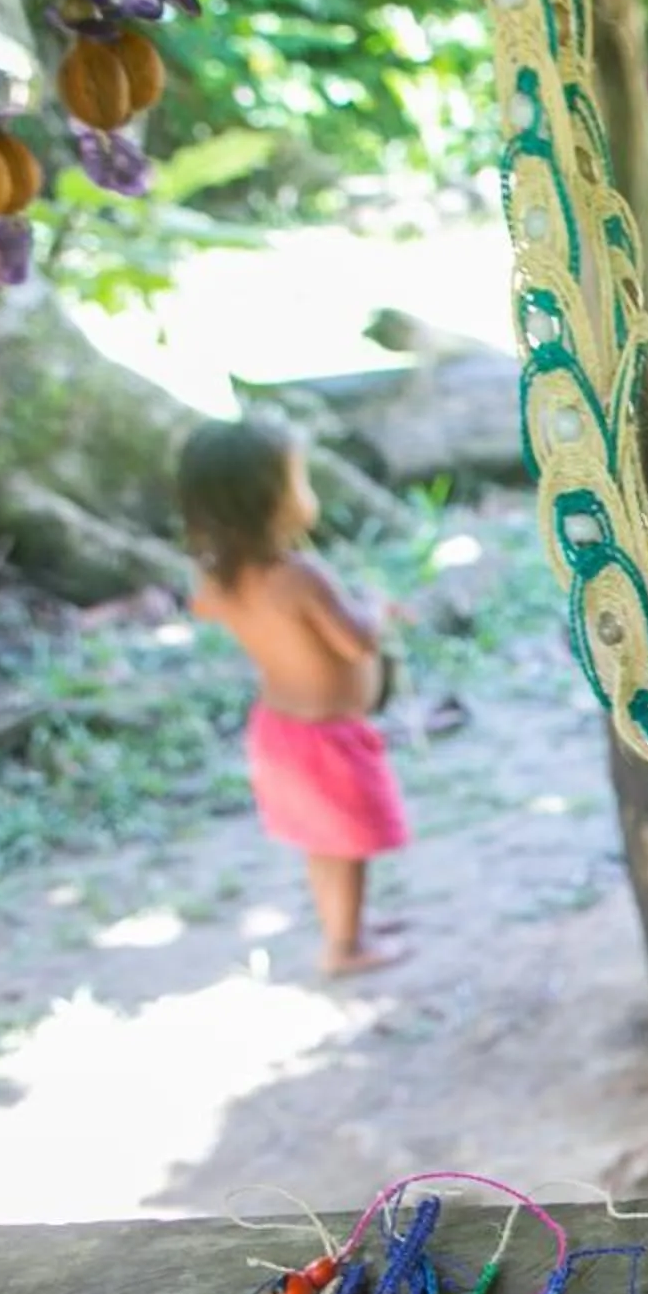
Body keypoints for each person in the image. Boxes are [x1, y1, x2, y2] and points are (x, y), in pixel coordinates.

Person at [180, 419, 410, 979]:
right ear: (272, 499)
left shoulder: (221, 580)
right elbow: (356, 642)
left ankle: (344, 926)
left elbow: (205, 607)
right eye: (299, 480)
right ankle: (346, 948)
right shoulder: (300, 576)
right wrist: (375, 606)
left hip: (280, 733)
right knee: (349, 845)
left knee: (324, 842)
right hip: (328, 737)